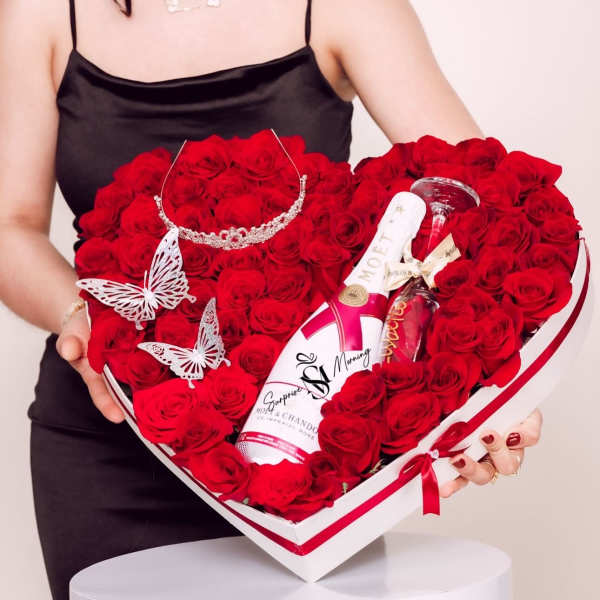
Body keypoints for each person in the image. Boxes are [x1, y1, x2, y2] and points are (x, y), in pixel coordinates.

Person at [0, 1, 542, 598]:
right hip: (111, 435)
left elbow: (476, 203)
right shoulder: (40, 11)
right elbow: (10, 227)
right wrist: (85, 318)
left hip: (312, 447)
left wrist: (497, 384)